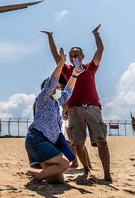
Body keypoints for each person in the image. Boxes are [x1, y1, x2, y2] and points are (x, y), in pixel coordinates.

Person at [41, 25, 112, 182]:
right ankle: (86, 170)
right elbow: (55, 56)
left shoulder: (90, 67)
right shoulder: (67, 69)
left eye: (76, 54)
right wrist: (50, 37)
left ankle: (107, 174)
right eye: (71, 55)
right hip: (74, 109)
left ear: (82, 55)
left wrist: (96, 34)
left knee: (101, 141)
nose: (74, 57)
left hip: (93, 107)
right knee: (77, 143)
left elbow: (100, 50)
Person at [26, 47, 84, 183]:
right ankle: (35, 181)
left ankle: (36, 174)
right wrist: (61, 63)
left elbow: (68, 91)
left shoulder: (57, 102)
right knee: (64, 164)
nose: (58, 89)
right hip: (37, 140)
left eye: (59, 87)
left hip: (48, 143)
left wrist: (74, 75)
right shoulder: (43, 98)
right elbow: (52, 82)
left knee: (58, 180)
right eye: (56, 88)